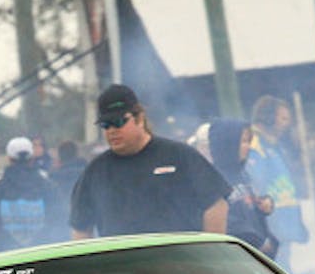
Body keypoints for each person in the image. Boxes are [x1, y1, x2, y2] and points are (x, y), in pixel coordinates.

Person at [70, 84, 230, 238]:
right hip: (122, 264)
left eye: (119, 122)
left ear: (139, 118)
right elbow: (80, 228)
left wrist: (208, 253)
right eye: (106, 125)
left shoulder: (179, 155)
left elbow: (217, 205)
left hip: (180, 261)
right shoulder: (96, 171)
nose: (112, 130)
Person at [246, 95, 308, 264]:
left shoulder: (275, 145)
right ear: (267, 117)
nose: (286, 123)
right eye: (283, 118)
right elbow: (255, 184)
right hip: (272, 225)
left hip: (283, 224)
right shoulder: (255, 144)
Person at [0, 136, 66, 252]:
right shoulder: (49, 187)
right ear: (32, 158)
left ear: (9, 159)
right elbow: (62, 222)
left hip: (8, 261)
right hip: (45, 259)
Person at [206, 118, 276, 256]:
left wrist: (265, 204)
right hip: (238, 254)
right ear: (227, 144)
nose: (248, 146)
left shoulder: (244, 174)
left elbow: (250, 206)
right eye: (244, 141)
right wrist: (256, 241)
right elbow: (225, 220)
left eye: (249, 141)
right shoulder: (212, 179)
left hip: (258, 251)